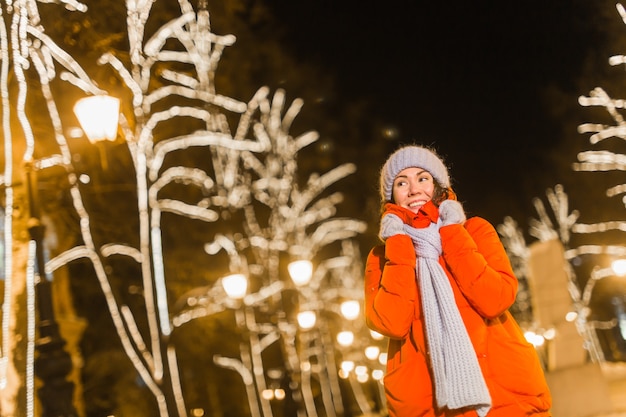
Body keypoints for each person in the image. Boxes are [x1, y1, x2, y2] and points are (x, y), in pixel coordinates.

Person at [364, 145, 552, 417]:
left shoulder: (474, 231)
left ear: (439, 186)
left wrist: (452, 231)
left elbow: (496, 299)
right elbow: (390, 322)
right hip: (430, 403)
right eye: (401, 182)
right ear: (391, 196)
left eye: (422, 178)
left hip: (504, 393)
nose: (413, 189)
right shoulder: (382, 256)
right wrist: (399, 245)